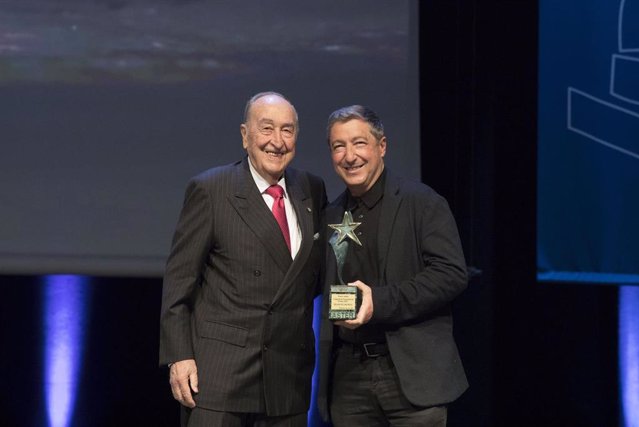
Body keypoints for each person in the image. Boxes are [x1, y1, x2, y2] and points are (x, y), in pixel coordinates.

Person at [159, 91, 327, 427]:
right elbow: (180, 281)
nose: (277, 141)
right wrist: (179, 356)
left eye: (287, 130)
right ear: (244, 135)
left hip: (287, 378)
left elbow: (311, 277)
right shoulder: (212, 189)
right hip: (220, 377)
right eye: (266, 129)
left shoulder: (312, 189)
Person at [317, 105, 468, 426]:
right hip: (348, 377)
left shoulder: (422, 202)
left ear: (381, 146)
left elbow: (452, 274)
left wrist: (379, 302)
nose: (349, 156)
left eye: (359, 143)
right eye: (338, 146)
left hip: (411, 374)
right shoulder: (330, 215)